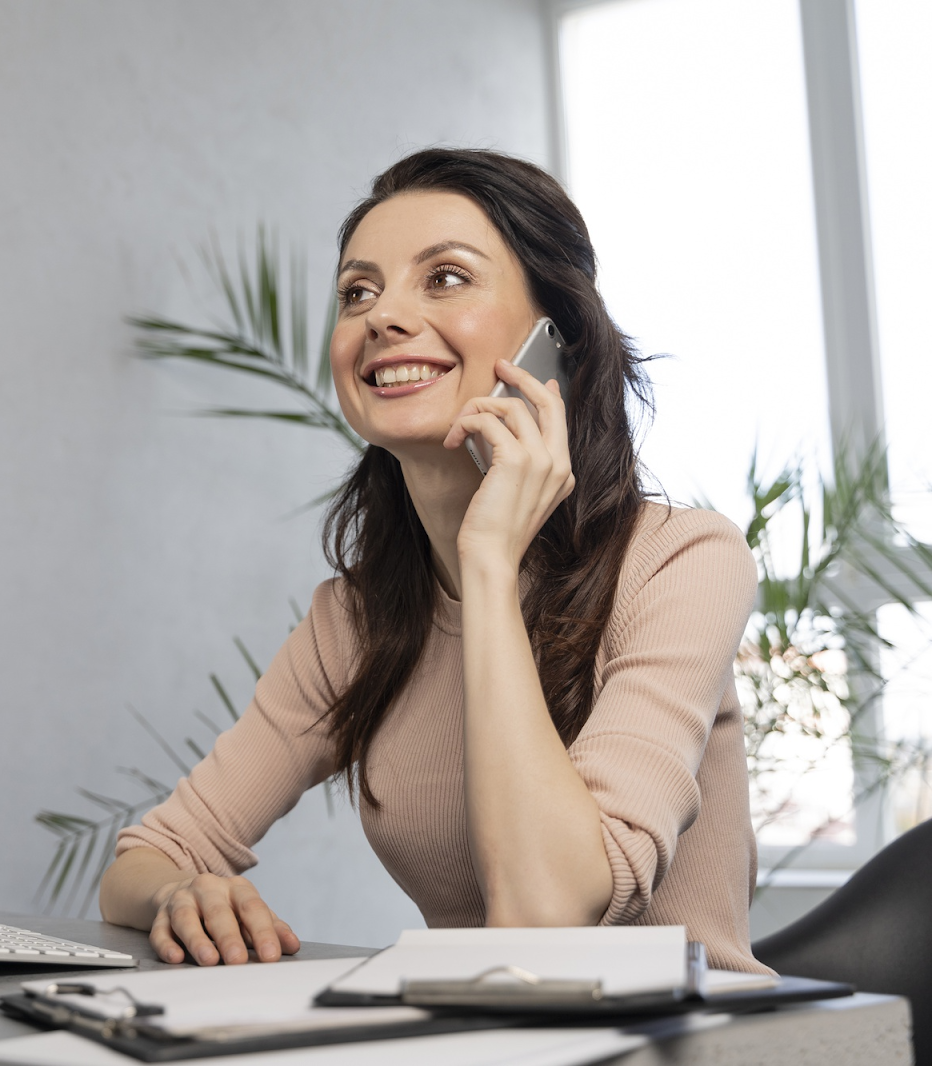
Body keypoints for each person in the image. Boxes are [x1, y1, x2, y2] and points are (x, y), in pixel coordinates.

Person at [99, 147, 768, 974]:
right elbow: (147, 858)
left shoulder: (681, 564)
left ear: (556, 339)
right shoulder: (352, 622)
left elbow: (548, 916)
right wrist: (177, 893)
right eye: (358, 291)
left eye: (445, 278)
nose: (383, 316)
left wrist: (488, 559)